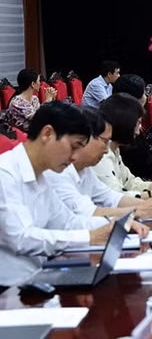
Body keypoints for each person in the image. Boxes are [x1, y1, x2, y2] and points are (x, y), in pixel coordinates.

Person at [0, 101, 113, 286]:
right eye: (74, 146)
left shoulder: (42, 175)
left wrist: (112, 225)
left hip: (38, 279)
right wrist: (89, 237)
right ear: (47, 134)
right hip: (8, 291)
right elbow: (21, 238)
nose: (75, 157)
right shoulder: (5, 174)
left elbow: (67, 222)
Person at [44, 107, 152, 223]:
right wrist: (136, 210)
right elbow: (84, 214)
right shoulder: (57, 170)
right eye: (104, 141)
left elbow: (111, 197)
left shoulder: (83, 167)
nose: (107, 149)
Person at [112, 74, 152, 181]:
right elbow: (144, 168)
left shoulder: (115, 116)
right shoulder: (125, 126)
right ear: (134, 100)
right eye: (144, 93)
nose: (146, 97)